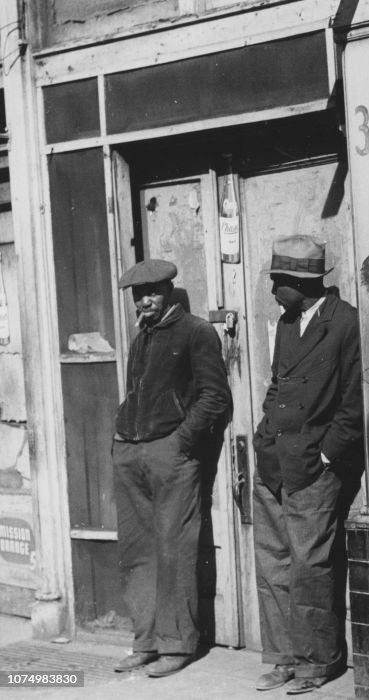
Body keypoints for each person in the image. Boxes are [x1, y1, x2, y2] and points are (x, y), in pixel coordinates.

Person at [252, 235, 364, 694]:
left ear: (302, 282)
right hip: (275, 461)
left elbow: (354, 401)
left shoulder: (345, 323)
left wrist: (324, 454)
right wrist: (262, 438)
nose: (272, 288)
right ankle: (283, 658)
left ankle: (317, 664)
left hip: (315, 468)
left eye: (278, 280)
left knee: (310, 566)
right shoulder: (286, 323)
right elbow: (278, 386)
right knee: (274, 564)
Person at [112, 259, 232, 677]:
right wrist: (123, 440)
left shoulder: (196, 332)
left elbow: (215, 398)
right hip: (131, 452)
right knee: (137, 551)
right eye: (137, 294)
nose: (144, 301)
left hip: (170, 455)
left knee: (174, 549)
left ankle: (177, 645)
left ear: (167, 292)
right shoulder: (140, 337)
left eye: (152, 292)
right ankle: (145, 642)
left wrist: (177, 443)